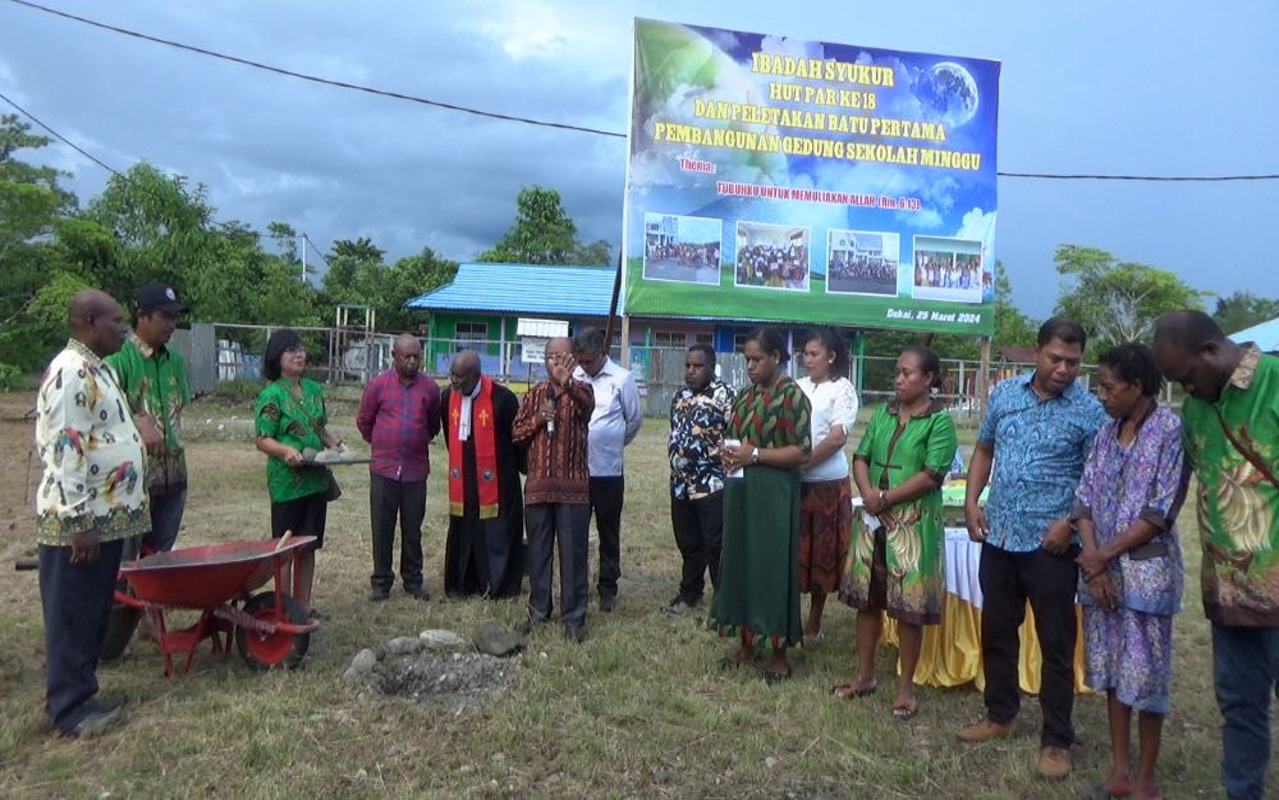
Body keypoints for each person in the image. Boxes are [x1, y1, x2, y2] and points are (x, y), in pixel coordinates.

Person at [957, 317, 1108, 780]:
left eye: (1073, 362)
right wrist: (970, 500)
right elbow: (983, 449)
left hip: (1052, 546)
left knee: (1056, 644)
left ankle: (1057, 740)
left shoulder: (1089, 411)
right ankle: (1000, 715)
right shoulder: (1005, 395)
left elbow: (1099, 479)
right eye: (1056, 358)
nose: (1064, 369)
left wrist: (1068, 523)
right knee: (998, 632)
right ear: (1037, 352)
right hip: (999, 536)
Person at [1153, 310, 1279, 800]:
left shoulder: (1273, 381)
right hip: (1228, 593)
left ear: (1211, 350)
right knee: (1239, 704)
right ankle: (1241, 791)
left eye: (1186, 378)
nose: (1186, 390)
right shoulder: (1197, 409)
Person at [1072, 342, 1187, 800]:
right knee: (1114, 675)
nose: (1101, 395)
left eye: (1108, 387)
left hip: (1146, 577)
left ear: (1137, 386)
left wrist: (1104, 555)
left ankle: (1146, 779)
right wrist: (1096, 564)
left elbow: (1159, 511)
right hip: (1102, 580)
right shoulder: (1105, 434)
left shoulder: (1169, 432)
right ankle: (1119, 772)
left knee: (1147, 677)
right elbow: (1083, 499)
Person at [34, 290, 146, 737]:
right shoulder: (70, 371)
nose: (123, 327)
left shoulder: (95, 367)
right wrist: (78, 520)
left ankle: (84, 693)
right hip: (79, 522)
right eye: (117, 320)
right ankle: (68, 710)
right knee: (72, 615)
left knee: (92, 613)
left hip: (104, 517)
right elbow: (67, 449)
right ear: (89, 320)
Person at [837, 346, 957, 720]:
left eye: (907, 373)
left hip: (912, 526)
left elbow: (932, 473)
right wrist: (869, 495)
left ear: (929, 379)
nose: (899, 379)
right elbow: (861, 458)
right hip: (873, 522)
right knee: (867, 602)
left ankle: (905, 688)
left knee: (908, 609)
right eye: (897, 371)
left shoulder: (940, 422)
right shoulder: (883, 414)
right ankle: (865, 676)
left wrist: (885, 498)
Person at [711, 327, 812, 684]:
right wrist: (728, 453)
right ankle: (746, 644)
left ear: (777, 357)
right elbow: (738, 438)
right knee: (741, 561)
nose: (751, 366)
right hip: (741, 494)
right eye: (747, 360)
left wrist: (754, 455)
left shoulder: (792, 398)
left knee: (771, 568)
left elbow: (801, 451)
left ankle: (779, 654)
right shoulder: (746, 396)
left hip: (774, 496)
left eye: (758, 359)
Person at [253, 329, 341, 615]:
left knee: (309, 545)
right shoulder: (272, 395)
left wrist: (337, 446)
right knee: (286, 548)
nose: (299, 354)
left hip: (315, 481)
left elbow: (320, 430)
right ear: (277, 359)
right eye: (291, 350)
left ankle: (303, 606)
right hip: (287, 483)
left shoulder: (314, 391)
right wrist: (285, 451)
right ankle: (284, 608)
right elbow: (262, 439)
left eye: (300, 349)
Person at [513, 337, 595, 642]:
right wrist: (537, 420)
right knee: (537, 553)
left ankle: (574, 618)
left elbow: (587, 409)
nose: (556, 363)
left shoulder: (582, 391)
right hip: (537, 488)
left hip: (572, 490)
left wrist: (568, 384)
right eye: (551, 357)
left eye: (563, 357)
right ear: (543, 360)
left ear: (573, 360)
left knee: (573, 555)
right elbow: (516, 433)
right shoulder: (533, 395)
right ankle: (538, 610)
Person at [105, 282, 190, 555]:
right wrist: (136, 422)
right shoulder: (119, 358)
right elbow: (101, 413)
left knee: (160, 554)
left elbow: (179, 412)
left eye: (174, 317)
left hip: (173, 474)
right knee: (126, 558)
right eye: (164, 316)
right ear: (142, 316)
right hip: (133, 478)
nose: (171, 324)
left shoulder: (175, 361)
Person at [356, 333, 441, 602]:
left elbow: (433, 426)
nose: (412, 361)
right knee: (382, 528)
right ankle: (381, 582)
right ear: (394, 356)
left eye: (417, 356)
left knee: (413, 528)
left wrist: (413, 441)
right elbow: (364, 422)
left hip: (415, 471)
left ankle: (413, 581)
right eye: (407, 356)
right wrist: (384, 445)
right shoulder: (377, 385)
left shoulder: (430, 389)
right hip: (384, 469)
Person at [441, 350, 526, 599]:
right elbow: (449, 435)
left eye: (460, 378)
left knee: (497, 532)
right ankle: (462, 585)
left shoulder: (503, 399)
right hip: (464, 480)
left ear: (476, 376)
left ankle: (499, 587)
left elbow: (517, 441)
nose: (454, 382)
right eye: (452, 375)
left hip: (498, 480)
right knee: (465, 530)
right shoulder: (447, 397)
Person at [571, 327, 642, 612]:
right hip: (577, 471)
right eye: (580, 361)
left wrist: (611, 442)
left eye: (589, 360)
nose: (584, 366)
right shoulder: (574, 377)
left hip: (608, 471)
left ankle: (608, 588)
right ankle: (576, 584)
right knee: (575, 531)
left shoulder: (622, 379)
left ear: (602, 353)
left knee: (608, 531)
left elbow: (633, 421)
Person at [796, 327, 859, 639]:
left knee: (821, 555)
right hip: (795, 485)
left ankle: (814, 623)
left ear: (831, 357)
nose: (807, 360)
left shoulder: (842, 389)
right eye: (805, 354)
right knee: (794, 553)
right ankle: (788, 615)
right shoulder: (797, 387)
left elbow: (837, 437)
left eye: (814, 354)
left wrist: (803, 461)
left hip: (827, 486)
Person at [666, 343, 735, 615]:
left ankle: (724, 598)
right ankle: (690, 593)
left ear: (711, 367)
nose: (691, 371)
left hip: (712, 484)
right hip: (681, 484)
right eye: (688, 366)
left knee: (715, 543)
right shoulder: (679, 396)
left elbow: (735, 437)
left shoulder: (726, 396)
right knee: (688, 542)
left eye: (698, 366)